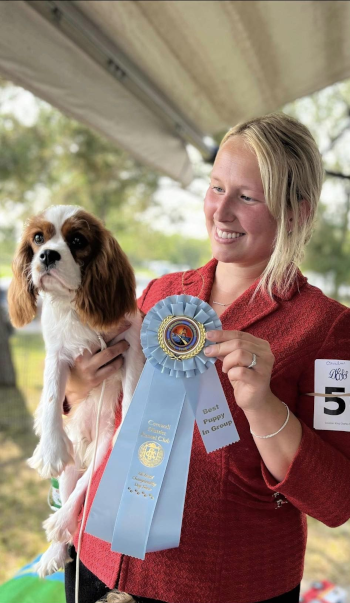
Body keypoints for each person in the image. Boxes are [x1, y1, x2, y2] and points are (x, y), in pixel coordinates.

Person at [64, 112, 350, 603]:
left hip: (221, 586)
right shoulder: (158, 295)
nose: (221, 212)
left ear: (297, 213)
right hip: (97, 561)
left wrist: (263, 405)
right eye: (217, 187)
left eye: (246, 197)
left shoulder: (330, 330)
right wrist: (76, 388)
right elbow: (95, 419)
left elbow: (335, 499)